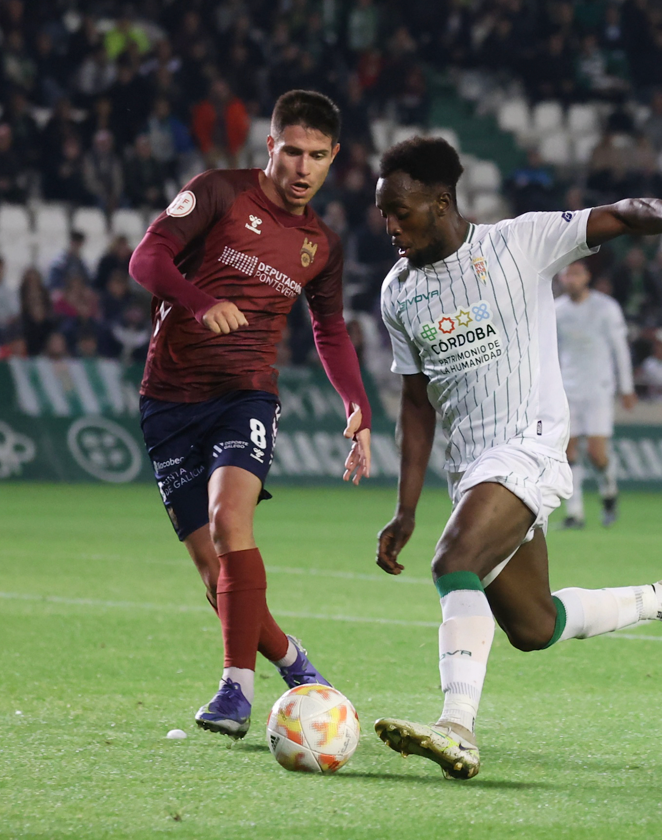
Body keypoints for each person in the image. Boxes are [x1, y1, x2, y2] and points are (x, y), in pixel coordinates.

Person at [371, 137, 662, 779]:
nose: (390, 226)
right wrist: (405, 507)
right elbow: (415, 402)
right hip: (472, 474)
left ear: (441, 201)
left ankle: (457, 726)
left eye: (400, 211)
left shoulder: (521, 243)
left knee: (453, 562)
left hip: (530, 448)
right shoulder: (398, 292)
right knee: (533, 625)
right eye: (383, 213)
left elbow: (622, 212)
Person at [127, 90, 372, 740]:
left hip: (246, 396)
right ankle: (296, 661)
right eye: (292, 151)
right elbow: (145, 259)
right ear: (270, 147)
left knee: (229, 517)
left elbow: (330, 331)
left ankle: (235, 690)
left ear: (333, 159)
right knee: (215, 572)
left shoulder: (320, 244)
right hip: (168, 400)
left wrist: (358, 404)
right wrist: (200, 301)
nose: (302, 167)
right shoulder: (217, 192)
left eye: (317, 156)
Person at [553, 261, 635, 529]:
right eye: (567, 275)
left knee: (597, 454)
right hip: (567, 387)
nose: (571, 280)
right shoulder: (557, 310)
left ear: (587, 277)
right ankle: (574, 512)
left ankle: (609, 490)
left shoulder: (606, 308)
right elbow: (550, 352)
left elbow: (619, 348)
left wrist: (627, 387)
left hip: (598, 388)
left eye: (576, 274)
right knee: (568, 451)